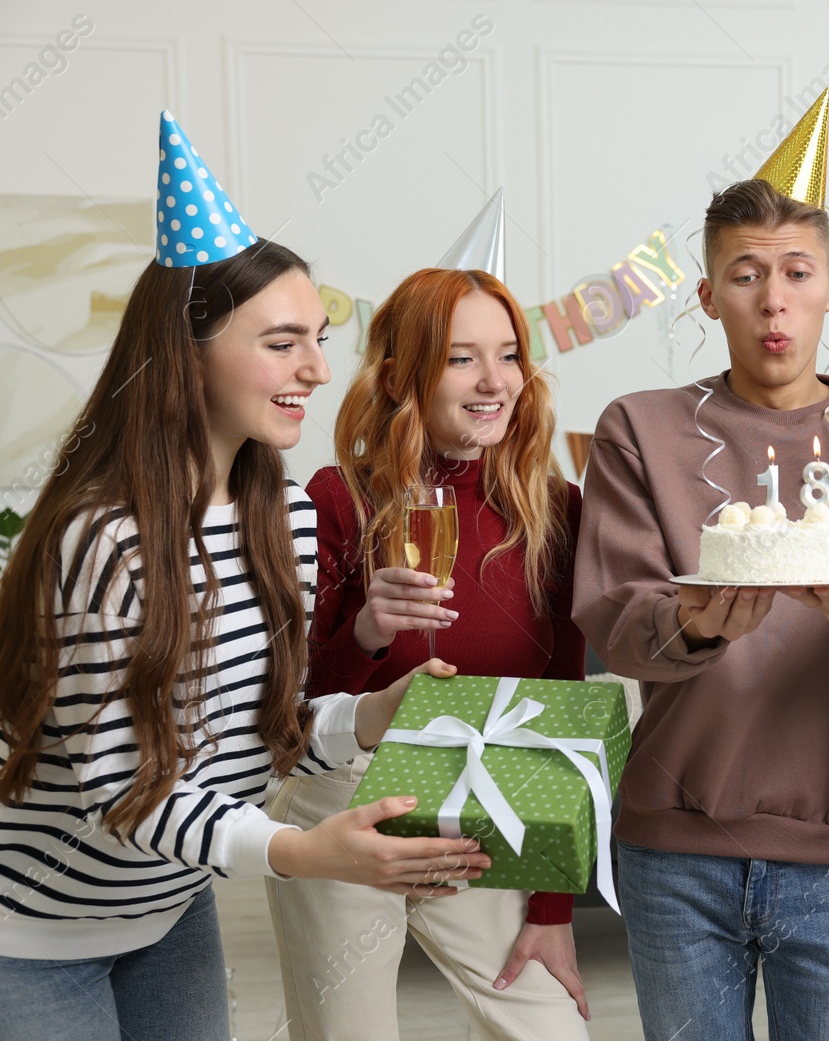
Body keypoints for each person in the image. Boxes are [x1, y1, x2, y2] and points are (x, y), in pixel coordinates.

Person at [0, 113, 487, 1040]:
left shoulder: (287, 517)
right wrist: (302, 850)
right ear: (188, 348)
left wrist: (368, 714)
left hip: (170, 906)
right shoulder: (100, 537)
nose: (316, 366)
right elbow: (121, 787)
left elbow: (268, 731)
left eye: (317, 335)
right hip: (32, 929)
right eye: (280, 341)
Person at [572, 174, 829, 1040]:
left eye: (796, 272)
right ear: (707, 295)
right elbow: (613, 613)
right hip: (673, 849)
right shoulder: (638, 427)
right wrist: (698, 622)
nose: (773, 301)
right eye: (746, 274)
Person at [264, 264, 590, 1041]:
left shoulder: (555, 510)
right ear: (405, 373)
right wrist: (369, 631)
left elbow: (562, 714)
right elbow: (294, 705)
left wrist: (551, 909)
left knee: (550, 1031)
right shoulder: (337, 498)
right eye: (460, 356)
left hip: (479, 805)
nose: (494, 381)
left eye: (508, 354)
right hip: (345, 802)